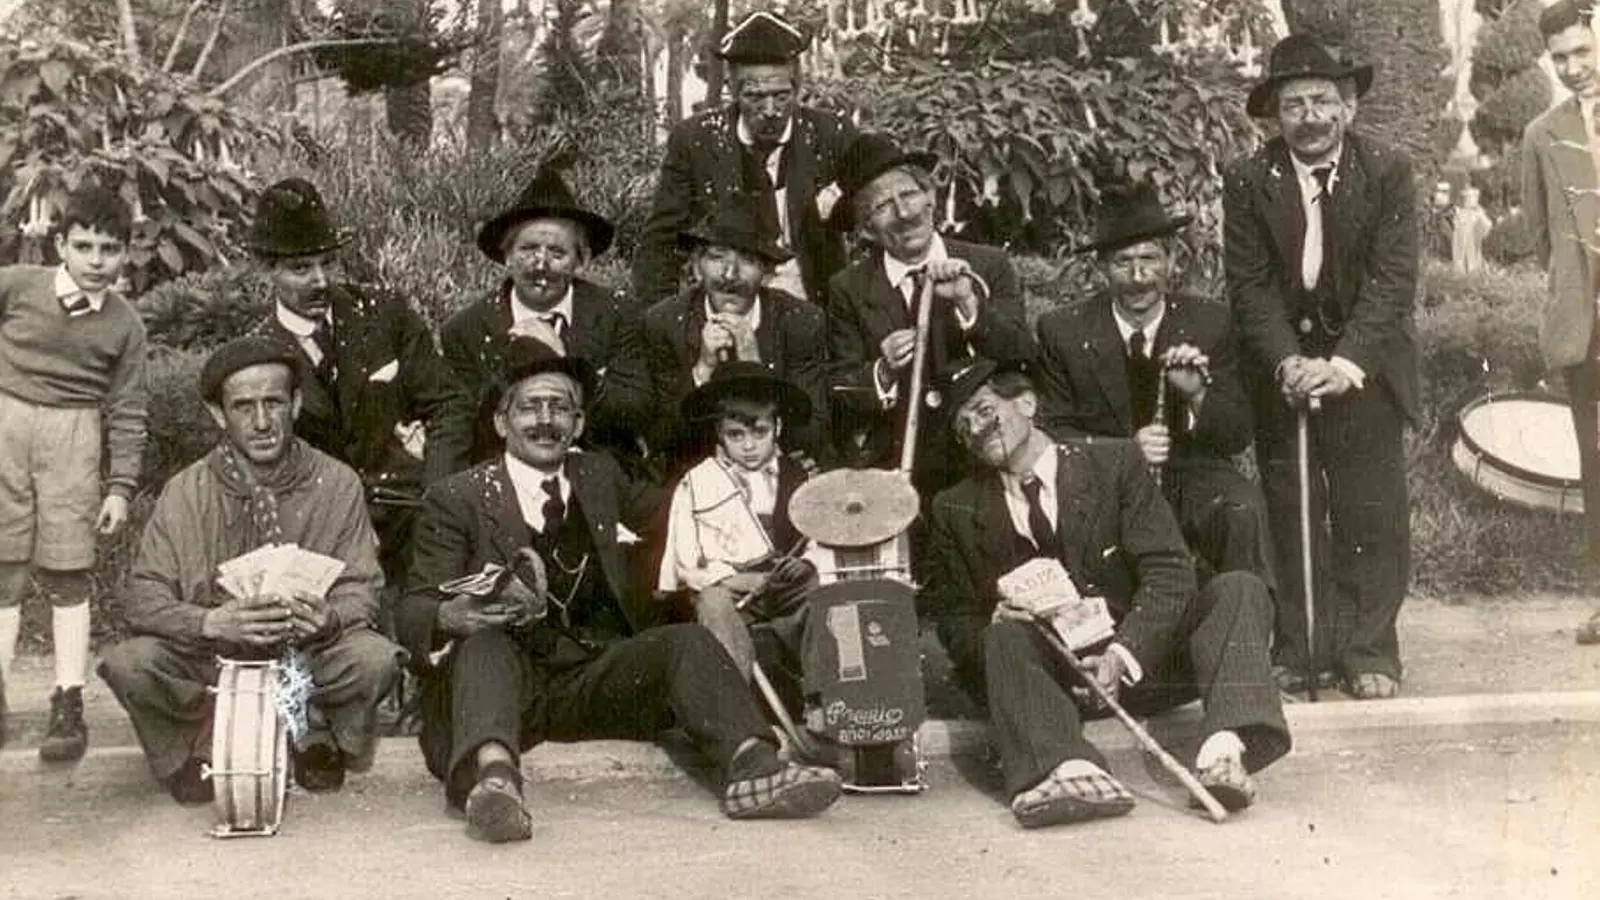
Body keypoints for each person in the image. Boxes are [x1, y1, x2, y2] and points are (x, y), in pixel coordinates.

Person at [397, 340, 841, 843]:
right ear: (502, 422)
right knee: (484, 644)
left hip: (592, 676)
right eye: (530, 407)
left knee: (685, 642)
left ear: (579, 424)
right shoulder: (457, 497)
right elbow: (413, 606)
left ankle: (754, 769)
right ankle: (496, 785)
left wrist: (750, 483)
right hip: (504, 687)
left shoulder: (600, 475)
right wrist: (450, 616)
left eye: (560, 408)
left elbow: (679, 514)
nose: (546, 421)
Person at [921, 356, 1289, 829]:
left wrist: (1121, 655)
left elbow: (1169, 571)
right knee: (1001, 637)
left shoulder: (1113, 462)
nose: (976, 428)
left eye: (984, 409)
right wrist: (992, 622)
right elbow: (953, 621)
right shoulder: (954, 507)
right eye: (963, 425)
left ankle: (1224, 754)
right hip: (1046, 684)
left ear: (1027, 403)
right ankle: (1066, 769)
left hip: (1140, 665)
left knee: (1239, 588)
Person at [98, 337, 402, 804]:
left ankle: (317, 734)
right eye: (243, 407)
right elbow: (144, 596)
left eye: (274, 403)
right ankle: (193, 752)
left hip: (309, 657)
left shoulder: (337, 482)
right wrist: (207, 622)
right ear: (219, 414)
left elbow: (362, 586)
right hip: (211, 662)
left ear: (296, 403)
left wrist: (330, 617)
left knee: (373, 658)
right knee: (130, 663)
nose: (262, 423)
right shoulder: (185, 492)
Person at [1223, 35, 1419, 699]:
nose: (1308, 116)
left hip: (1364, 367)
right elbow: (1248, 287)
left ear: (1349, 107)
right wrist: (1285, 361)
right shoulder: (1248, 180)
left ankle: (1369, 651)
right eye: (1293, 104)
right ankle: (1304, 648)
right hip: (1284, 370)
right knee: (1290, 506)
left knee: (1370, 510)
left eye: (1322, 102)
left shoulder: (1388, 170)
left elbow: (1392, 283)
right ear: (1275, 114)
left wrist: (1344, 363)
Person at [244, 177, 473, 628]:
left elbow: (449, 405)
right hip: (322, 522)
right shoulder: (259, 354)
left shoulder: (384, 314)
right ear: (266, 271)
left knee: (441, 620)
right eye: (301, 268)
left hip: (412, 510)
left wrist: (437, 491)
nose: (321, 281)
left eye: (328, 262)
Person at [1034, 181, 1273, 589]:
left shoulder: (1211, 321)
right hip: (1105, 483)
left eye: (1150, 258)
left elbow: (1236, 435)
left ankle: (1241, 628)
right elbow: (1055, 434)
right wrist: (1126, 452)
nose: (1140, 276)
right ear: (1101, 268)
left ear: (1172, 259)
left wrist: (1197, 393)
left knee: (1242, 509)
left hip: (1193, 475)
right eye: (1123, 262)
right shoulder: (1063, 330)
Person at [0, 187, 147, 760]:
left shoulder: (125, 325)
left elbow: (129, 407)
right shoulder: (18, 286)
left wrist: (120, 486)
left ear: (125, 254)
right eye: (82, 245)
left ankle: (69, 697)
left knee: (67, 573)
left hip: (74, 438)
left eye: (108, 248)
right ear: (58, 244)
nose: (94, 259)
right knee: (4, 569)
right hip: (6, 428)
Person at [824, 132, 1033, 503]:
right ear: (866, 228)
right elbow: (841, 390)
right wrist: (883, 371)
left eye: (909, 195)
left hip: (985, 455)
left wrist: (969, 304)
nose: (904, 214)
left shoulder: (988, 264)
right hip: (899, 463)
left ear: (931, 198)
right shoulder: (848, 288)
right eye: (883, 206)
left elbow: (1020, 355)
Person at [632, 10, 858, 307]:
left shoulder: (832, 133)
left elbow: (870, 220)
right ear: (733, 90)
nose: (770, 110)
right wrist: (662, 324)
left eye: (781, 95)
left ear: (797, 88)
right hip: (725, 303)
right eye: (755, 96)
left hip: (815, 309)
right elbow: (660, 241)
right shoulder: (696, 140)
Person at [442, 166, 651, 468]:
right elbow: (467, 429)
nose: (541, 265)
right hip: (505, 480)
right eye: (527, 249)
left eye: (557, 253)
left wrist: (566, 362)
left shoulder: (617, 315)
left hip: (605, 475)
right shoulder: (465, 331)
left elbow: (636, 414)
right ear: (507, 255)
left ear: (580, 260)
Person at [657, 362, 818, 715]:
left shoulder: (800, 475)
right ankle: (734, 709)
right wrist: (734, 578)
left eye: (759, 433)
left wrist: (806, 564)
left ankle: (822, 701)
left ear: (778, 427)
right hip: (731, 587)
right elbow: (687, 559)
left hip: (784, 582)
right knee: (712, 602)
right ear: (719, 432)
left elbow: (818, 537)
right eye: (735, 435)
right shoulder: (698, 481)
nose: (748, 446)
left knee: (822, 591)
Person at [1520, 0, 1600, 646]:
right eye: (1561, 58)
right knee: (1597, 461)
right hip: (1588, 329)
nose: (1574, 67)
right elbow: (1542, 236)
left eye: (1583, 51)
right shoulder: (1542, 135)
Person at [642, 197, 830, 470]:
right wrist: (703, 369)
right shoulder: (665, 322)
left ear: (767, 272)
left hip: (775, 470)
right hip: (694, 469)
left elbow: (812, 434)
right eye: (717, 257)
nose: (730, 274)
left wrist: (754, 368)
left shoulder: (800, 321)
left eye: (747, 260)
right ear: (696, 266)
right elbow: (662, 439)